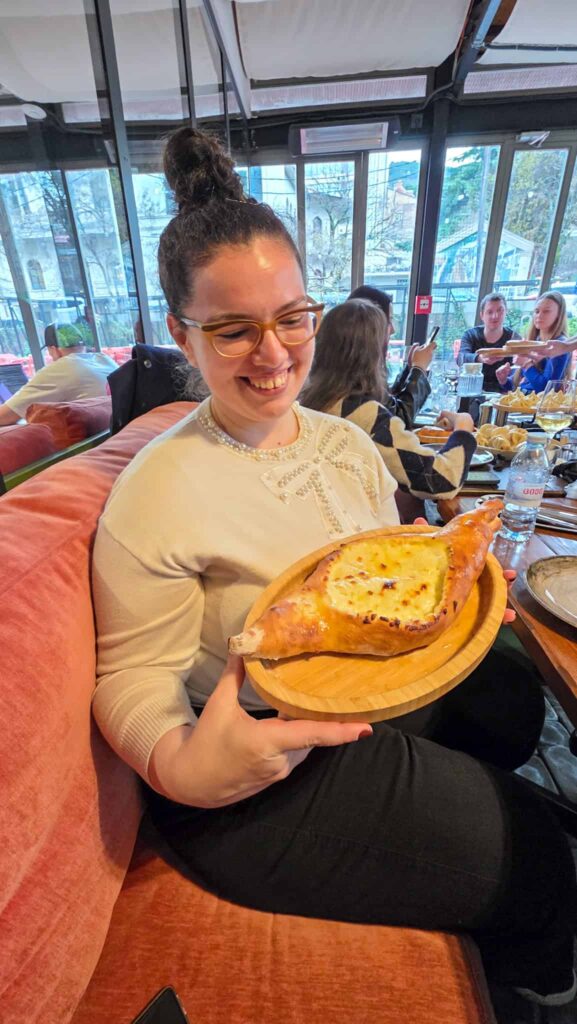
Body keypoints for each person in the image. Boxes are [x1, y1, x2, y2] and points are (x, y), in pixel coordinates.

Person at [91, 127, 577, 1008]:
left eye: (290, 318)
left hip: (370, 692)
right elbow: (130, 677)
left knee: (510, 705)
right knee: (536, 861)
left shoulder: (348, 442)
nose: (273, 354)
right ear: (180, 332)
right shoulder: (152, 496)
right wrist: (185, 767)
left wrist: (453, 593)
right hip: (251, 772)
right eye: (233, 330)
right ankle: (538, 984)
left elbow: (394, 559)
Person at [300, 298, 476, 501]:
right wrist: (463, 428)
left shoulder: (307, 398)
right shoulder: (364, 414)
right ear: (372, 354)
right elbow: (442, 480)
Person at [348, 284, 435, 427]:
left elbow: (388, 403)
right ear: (372, 324)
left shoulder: (351, 365)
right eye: (389, 320)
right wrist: (419, 369)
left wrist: (410, 368)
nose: (393, 329)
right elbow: (396, 423)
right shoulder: (355, 374)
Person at [0, 324, 117, 427]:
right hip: (112, 433)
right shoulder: (104, 359)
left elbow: (4, 416)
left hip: (88, 444)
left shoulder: (62, 368)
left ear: (53, 349)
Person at [495, 291, 571, 393]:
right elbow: (518, 386)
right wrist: (504, 380)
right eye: (537, 311)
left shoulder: (560, 345)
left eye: (546, 311)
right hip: (523, 403)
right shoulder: (535, 340)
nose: (539, 315)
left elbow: (547, 389)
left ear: (559, 315)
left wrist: (526, 364)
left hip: (539, 407)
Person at [458, 292, 520, 392]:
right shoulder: (470, 334)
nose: (495, 316)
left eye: (500, 311)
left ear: (506, 312)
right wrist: (479, 358)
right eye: (490, 312)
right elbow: (461, 358)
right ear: (482, 315)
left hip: (503, 393)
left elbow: (519, 371)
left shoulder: (514, 338)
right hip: (472, 390)